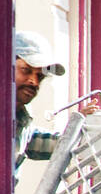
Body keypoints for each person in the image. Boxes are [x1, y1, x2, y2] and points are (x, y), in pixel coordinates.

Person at [13, 30, 67, 179]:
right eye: (26, 70)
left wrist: (80, 127)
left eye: (40, 76)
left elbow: (36, 141)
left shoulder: (20, 120)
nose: (34, 82)